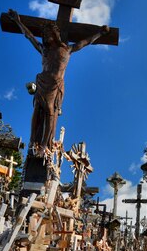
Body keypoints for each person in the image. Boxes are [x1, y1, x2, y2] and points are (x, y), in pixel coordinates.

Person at [7, 9, 110, 154]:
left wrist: (100, 33)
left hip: (55, 84)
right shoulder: (44, 50)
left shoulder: (67, 49)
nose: (45, 37)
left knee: (50, 110)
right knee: (37, 109)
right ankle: (32, 141)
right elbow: (29, 36)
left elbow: (86, 42)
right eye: (44, 35)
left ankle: (43, 145)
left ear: (55, 34)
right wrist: (18, 21)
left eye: (48, 34)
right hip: (42, 81)